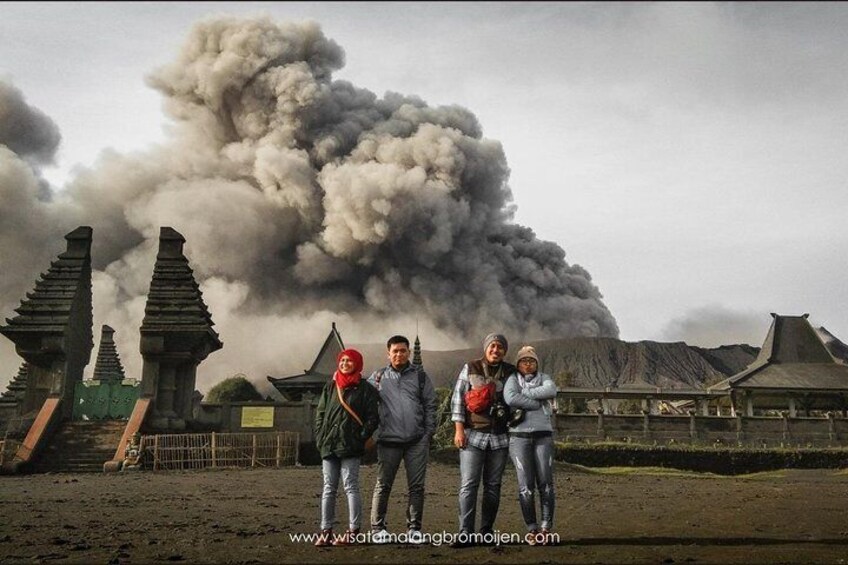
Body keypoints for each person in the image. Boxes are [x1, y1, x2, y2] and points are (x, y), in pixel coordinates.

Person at [368, 335, 437, 545]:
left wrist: (428, 433)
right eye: (395, 351)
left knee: (416, 487)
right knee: (383, 485)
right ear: (388, 353)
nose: (399, 354)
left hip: (416, 440)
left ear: (409, 352)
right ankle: (377, 528)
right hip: (388, 441)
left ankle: (414, 528)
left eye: (403, 350)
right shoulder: (378, 377)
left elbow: (430, 405)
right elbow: (363, 399)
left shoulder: (420, 376)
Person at [449, 333, 515, 547]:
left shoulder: (511, 372)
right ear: (486, 348)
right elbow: (458, 398)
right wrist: (459, 429)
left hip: (500, 438)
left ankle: (486, 531)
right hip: (473, 435)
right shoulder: (471, 367)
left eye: (500, 347)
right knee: (468, 485)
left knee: (493, 486)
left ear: (505, 351)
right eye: (493, 346)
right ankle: (465, 532)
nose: (496, 350)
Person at [313, 348, 380, 547]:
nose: (345, 364)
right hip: (329, 444)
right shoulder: (331, 387)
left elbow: (372, 418)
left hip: (350, 445)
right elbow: (321, 414)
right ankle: (326, 531)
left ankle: (353, 531)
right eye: (342, 361)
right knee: (328, 488)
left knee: (350, 486)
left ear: (357, 364)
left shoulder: (366, 389)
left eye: (349, 361)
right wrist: (320, 437)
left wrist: (360, 437)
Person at [503, 345, 557, 546]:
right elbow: (510, 397)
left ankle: (545, 528)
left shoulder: (545, 377)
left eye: (531, 360)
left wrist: (524, 393)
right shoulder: (511, 379)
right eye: (524, 361)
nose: (528, 363)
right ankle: (532, 529)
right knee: (526, 486)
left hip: (543, 435)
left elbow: (552, 390)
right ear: (518, 364)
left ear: (537, 363)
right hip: (519, 437)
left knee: (546, 483)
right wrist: (537, 400)